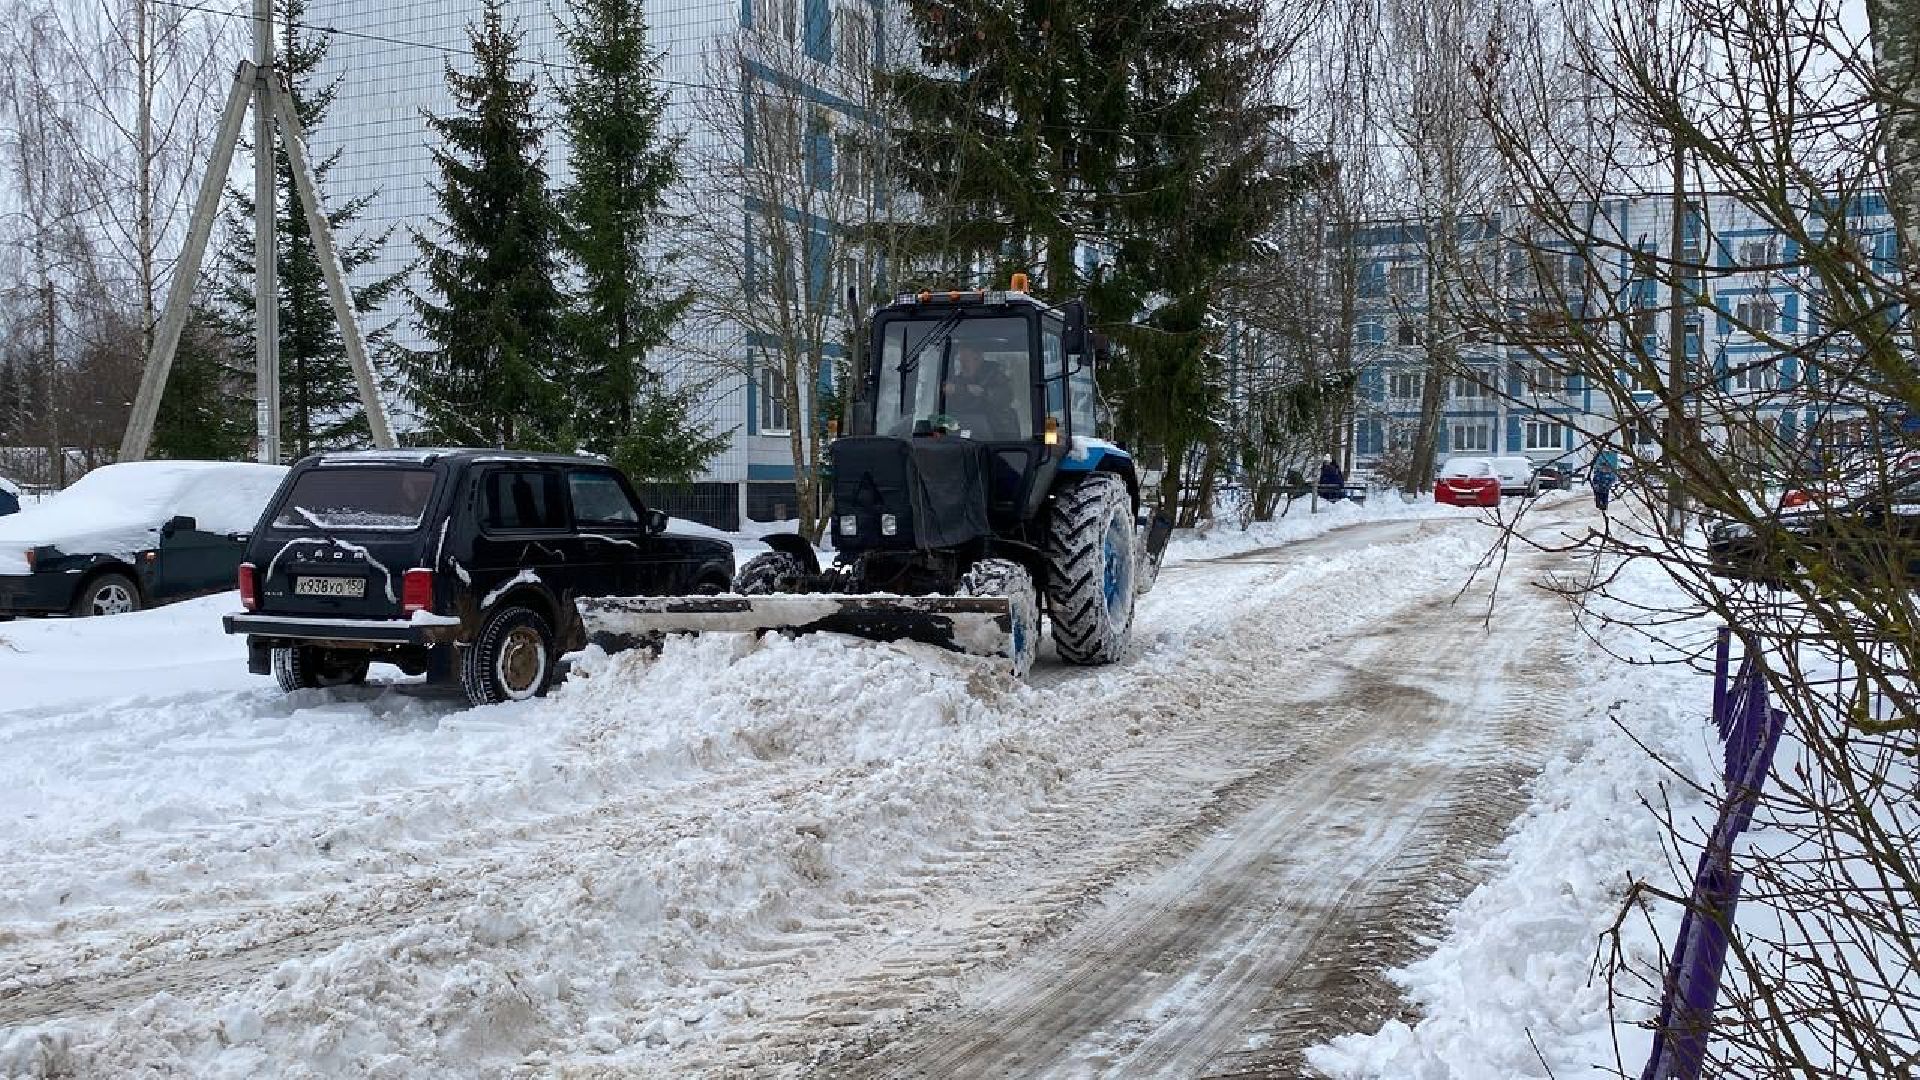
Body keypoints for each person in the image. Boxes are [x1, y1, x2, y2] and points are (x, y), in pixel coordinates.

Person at [942, 343, 1018, 439]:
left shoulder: (995, 377)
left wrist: (979, 392)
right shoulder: (956, 380)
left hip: (996, 437)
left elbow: (1004, 396)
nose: (962, 364)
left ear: (978, 358)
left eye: (966, 359)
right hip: (960, 435)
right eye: (961, 360)